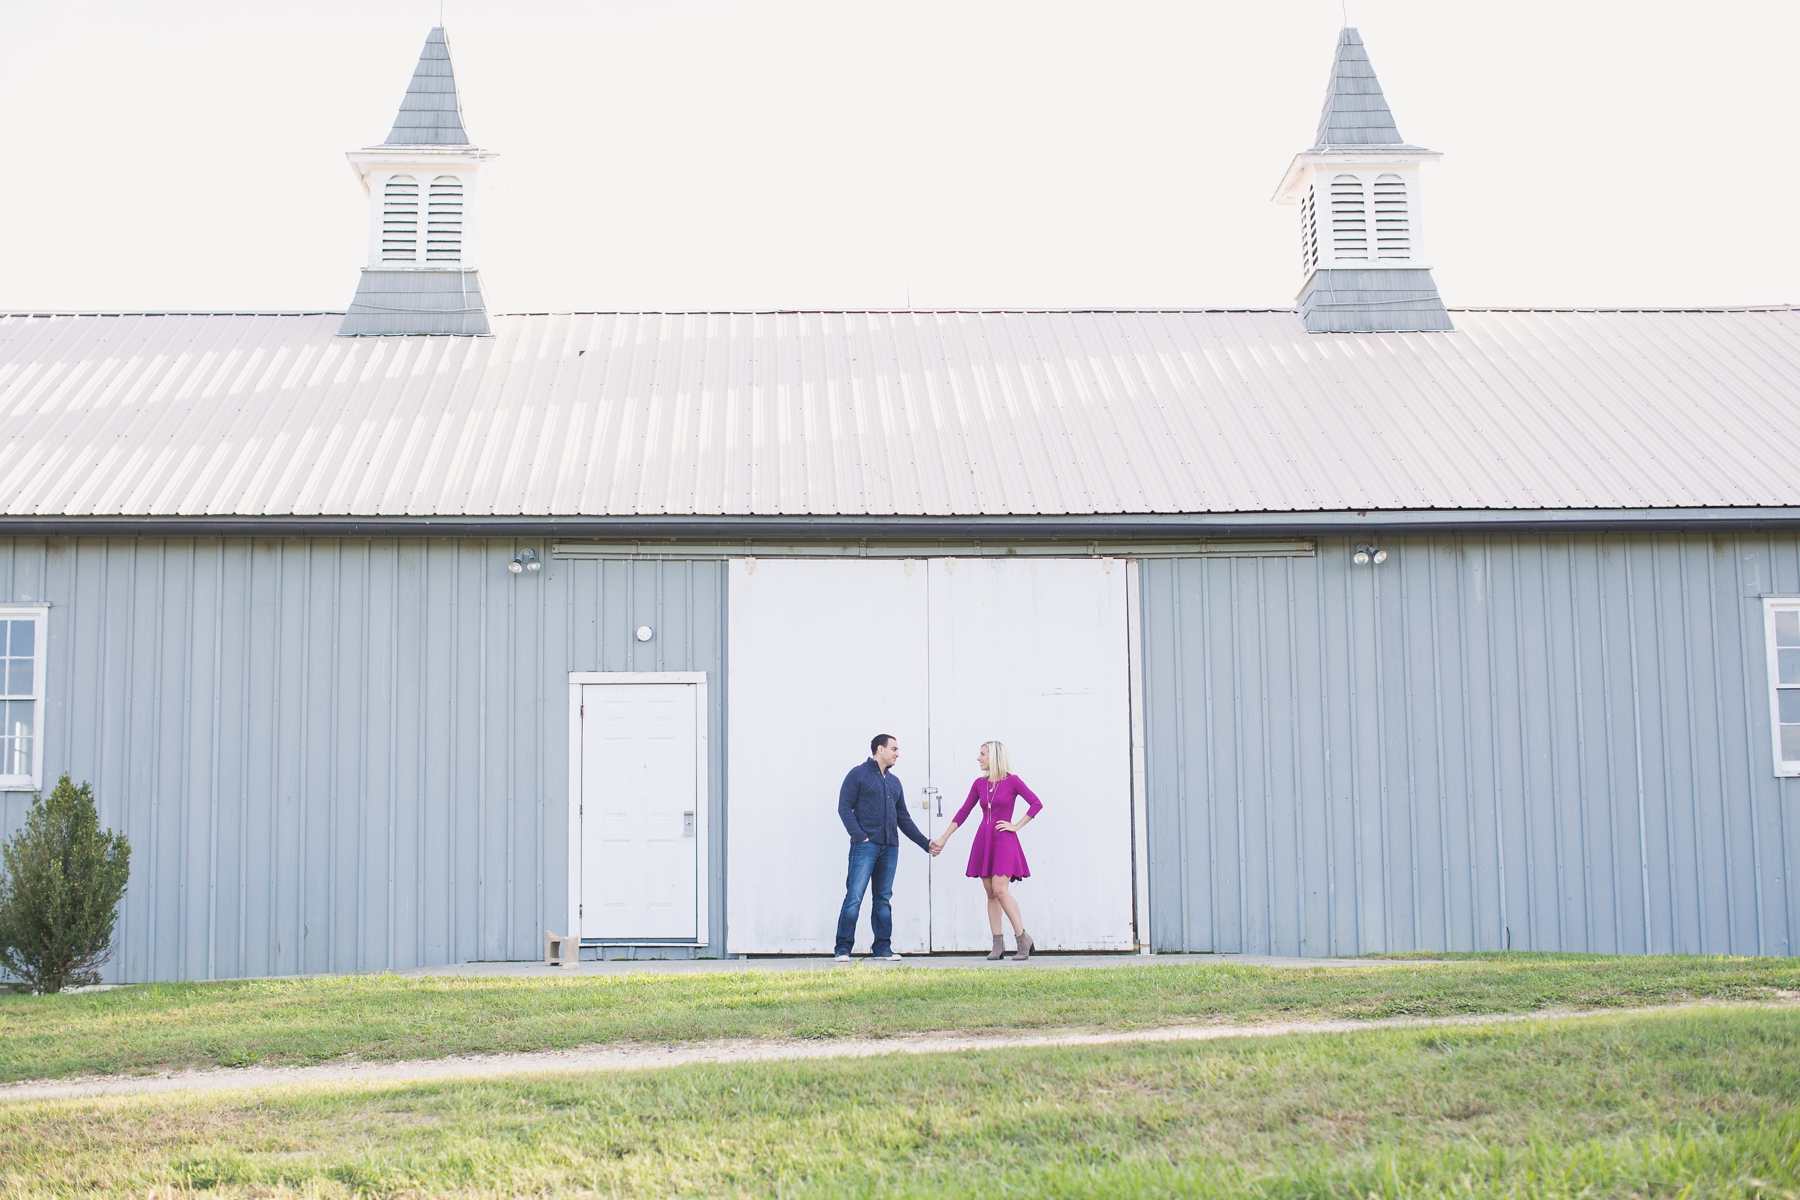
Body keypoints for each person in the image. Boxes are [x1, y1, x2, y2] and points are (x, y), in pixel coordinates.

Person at [928, 740, 1043, 961]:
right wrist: (944, 837)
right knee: (990, 892)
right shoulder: (979, 784)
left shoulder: (1013, 781)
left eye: (983, 754)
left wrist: (1016, 825)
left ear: (995, 756)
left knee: (1001, 889)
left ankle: (1022, 940)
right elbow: (964, 811)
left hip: (1004, 841)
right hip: (984, 839)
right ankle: (997, 944)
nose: (978, 758)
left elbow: (1036, 803)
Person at [834, 733, 931, 962]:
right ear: (880, 749)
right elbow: (844, 807)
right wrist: (859, 835)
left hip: (890, 848)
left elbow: (903, 818)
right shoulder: (857, 774)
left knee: (883, 899)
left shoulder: (895, 782)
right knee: (854, 897)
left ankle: (882, 948)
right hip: (865, 847)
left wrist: (925, 844)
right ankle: (843, 948)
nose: (897, 754)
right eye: (894, 749)